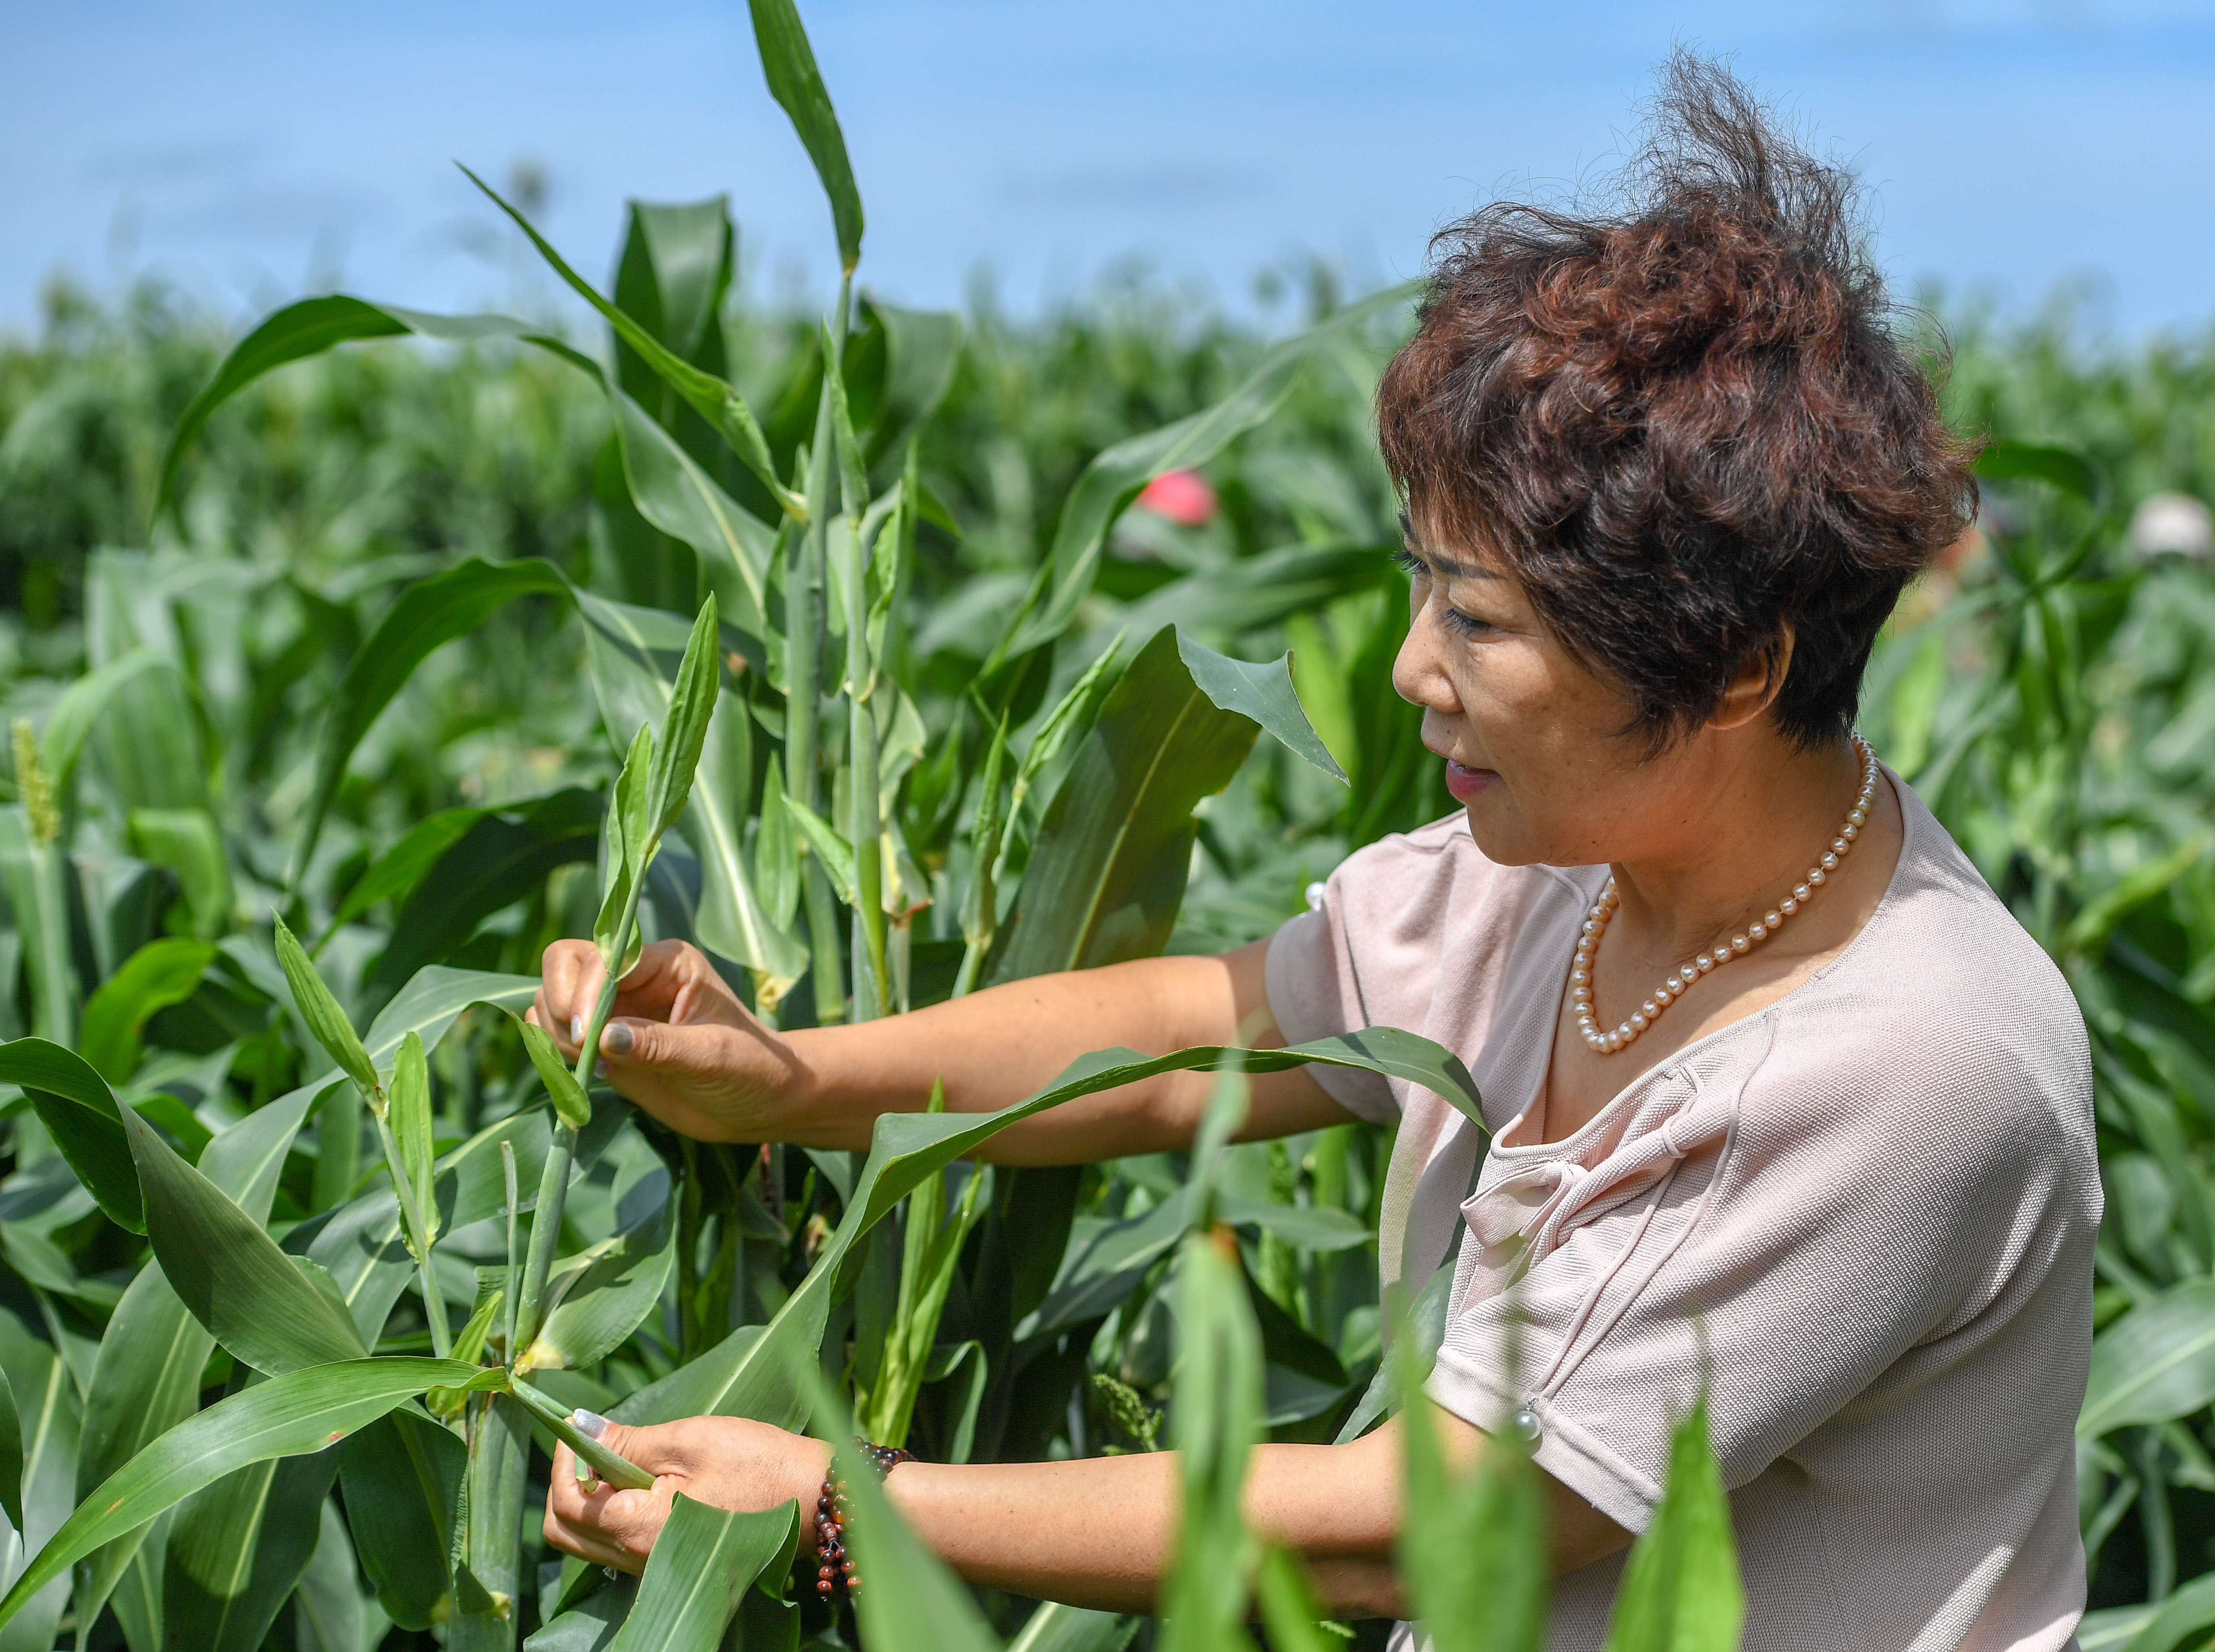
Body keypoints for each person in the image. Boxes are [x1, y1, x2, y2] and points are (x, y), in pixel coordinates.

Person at [531, 57, 2097, 1652]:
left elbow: (1435, 1520)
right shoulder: (1569, 862)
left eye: (1479, 621)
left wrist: (841, 1507)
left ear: (1735, 670)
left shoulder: (1906, 1067)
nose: (1416, 668)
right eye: (1426, 588)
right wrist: (794, 1078)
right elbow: (1205, 1036)